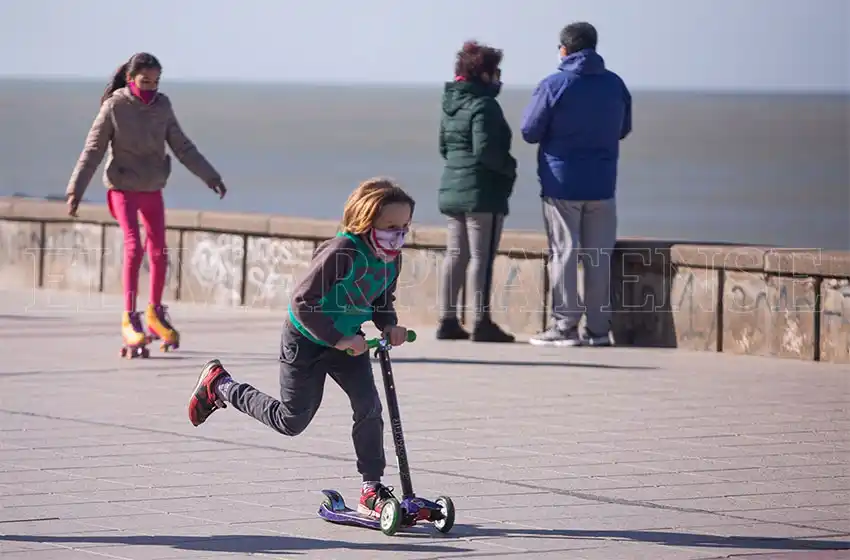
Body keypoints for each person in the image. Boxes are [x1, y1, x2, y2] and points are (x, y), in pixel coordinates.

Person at [188, 178, 414, 519]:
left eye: (405, 227)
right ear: (367, 222)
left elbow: (382, 301)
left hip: (348, 343)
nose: (398, 235)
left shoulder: (391, 260)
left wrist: (390, 325)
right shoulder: (343, 251)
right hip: (306, 340)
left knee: (369, 407)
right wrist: (336, 338)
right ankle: (220, 385)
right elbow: (302, 301)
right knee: (291, 421)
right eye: (391, 226)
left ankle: (371, 488)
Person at [65, 52, 227, 352]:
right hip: (122, 188)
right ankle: (129, 316)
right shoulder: (115, 106)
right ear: (130, 79)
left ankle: (154, 312)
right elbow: (93, 150)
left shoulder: (162, 106)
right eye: (144, 82)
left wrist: (210, 175)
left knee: (159, 250)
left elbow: (182, 146)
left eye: (155, 82)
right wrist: (75, 190)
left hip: (152, 187)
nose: (150, 88)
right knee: (134, 245)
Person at [520, 22, 632, 347]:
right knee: (599, 256)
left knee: (564, 253)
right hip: (602, 184)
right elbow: (623, 128)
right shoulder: (615, 85)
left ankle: (565, 326)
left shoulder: (554, 84)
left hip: (562, 184)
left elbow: (529, 130)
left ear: (564, 49)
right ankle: (598, 329)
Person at [436, 40, 517, 344]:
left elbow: (444, 148)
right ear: (484, 74)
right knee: (481, 258)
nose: (499, 78)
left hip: (453, 189)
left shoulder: (450, 104)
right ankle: (481, 322)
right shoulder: (485, 105)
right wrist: (509, 167)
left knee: (455, 256)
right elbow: (486, 151)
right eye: (496, 72)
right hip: (482, 192)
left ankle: (447, 319)